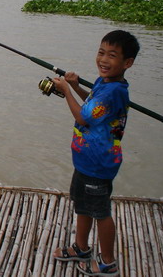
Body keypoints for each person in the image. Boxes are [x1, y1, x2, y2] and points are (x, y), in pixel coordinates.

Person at [52, 30, 139, 276]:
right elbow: (91, 106)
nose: (104, 59)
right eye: (101, 52)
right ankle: (81, 248)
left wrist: (66, 91)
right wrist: (76, 87)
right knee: (82, 205)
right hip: (85, 160)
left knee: (100, 213)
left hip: (99, 164)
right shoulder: (105, 83)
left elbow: (82, 116)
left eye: (112, 55)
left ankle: (108, 262)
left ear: (127, 63)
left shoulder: (114, 92)